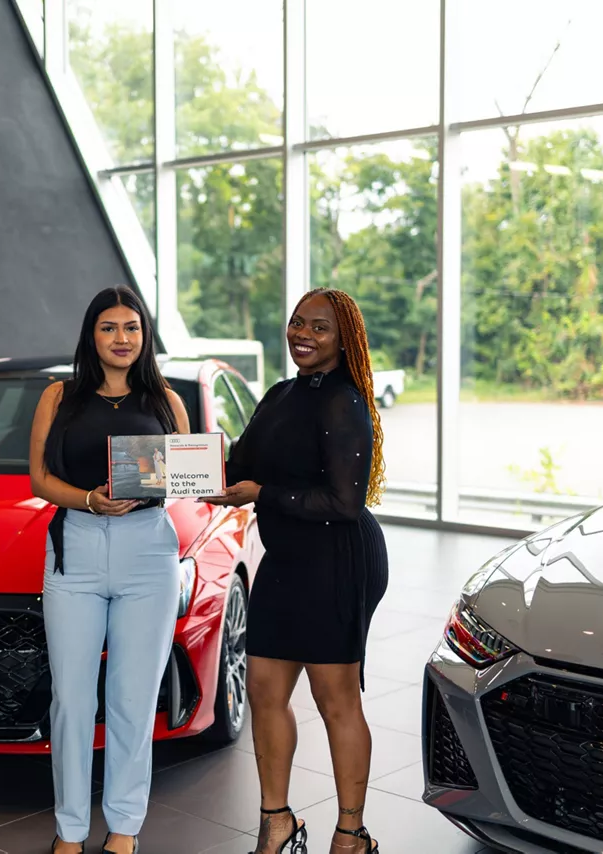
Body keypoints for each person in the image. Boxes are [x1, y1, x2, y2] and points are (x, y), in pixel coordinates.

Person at [201, 288, 389, 854]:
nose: (303, 334)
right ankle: (277, 822)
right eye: (297, 322)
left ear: (344, 339)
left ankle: (351, 834)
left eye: (320, 328)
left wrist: (262, 493)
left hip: (337, 560)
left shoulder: (344, 401)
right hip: (285, 560)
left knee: (336, 699)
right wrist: (174, 472)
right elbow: (238, 466)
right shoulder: (280, 396)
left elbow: (343, 504)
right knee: (263, 689)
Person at [29, 285, 191, 854]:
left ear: (144, 337)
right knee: (72, 699)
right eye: (108, 327)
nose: (121, 339)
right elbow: (40, 482)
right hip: (76, 546)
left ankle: (124, 826)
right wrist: (90, 501)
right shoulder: (59, 397)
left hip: (148, 552)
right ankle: (69, 830)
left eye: (132, 328)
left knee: (133, 697)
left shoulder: (167, 402)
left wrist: (198, 480)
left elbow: (188, 480)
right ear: (91, 335)